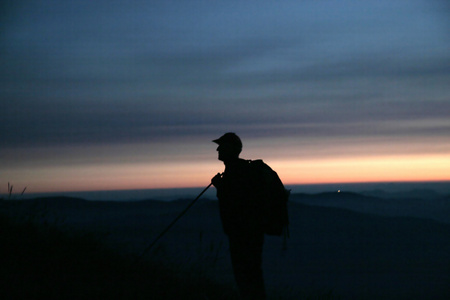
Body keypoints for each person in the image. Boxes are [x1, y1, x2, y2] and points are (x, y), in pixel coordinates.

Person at [211, 132, 266, 300]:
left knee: (246, 274)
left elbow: (236, 203)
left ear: (231, 149)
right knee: (251, 273)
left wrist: (220, 187)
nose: (218, 149)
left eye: (222, 146)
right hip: (248, 232)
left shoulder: (237, 172)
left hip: (243, 233)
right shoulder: (237, 171)